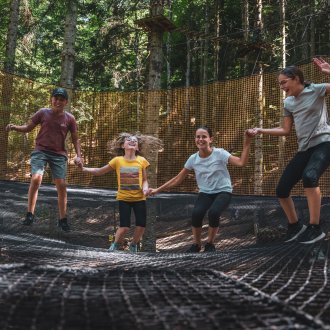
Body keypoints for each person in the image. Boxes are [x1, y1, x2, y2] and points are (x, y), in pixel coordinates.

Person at [248, 57, 330, 244]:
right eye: (279, 84)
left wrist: (328, 71)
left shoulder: (316, 90)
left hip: (325, 142)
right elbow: (285, 130)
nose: (281, 87)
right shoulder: (288, 103)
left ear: (296, 79)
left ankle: (315, 227)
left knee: (310, 177)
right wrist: (261, 130)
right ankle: (295, 226)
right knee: (282, 189)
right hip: (305, 148)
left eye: (283, 82)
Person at [148, 126, 253, 253]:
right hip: (205, 193)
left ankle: (210, 244)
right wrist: (157, 190)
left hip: (223, 191)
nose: (200, 139)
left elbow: (241, 162)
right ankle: (196, 245)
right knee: (196, 214)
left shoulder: (220, 153)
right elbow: (177, 179)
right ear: (195, 140)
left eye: (204, 136)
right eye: (198, 137)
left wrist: (247, 142)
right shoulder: (193, 159)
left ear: (210, 139)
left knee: (213, 213)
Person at [6, 87, 82, 232]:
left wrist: (79, 156)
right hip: (41, 150)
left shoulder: (69, 118)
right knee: (36, 179)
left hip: (59, 154)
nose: (58, 101)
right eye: (56, 98)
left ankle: (63, 219)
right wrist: (15, 127)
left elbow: (75, 138)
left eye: (61, 99)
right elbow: (28, 128)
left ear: (65, 102)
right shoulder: (43, 113)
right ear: (51, 99)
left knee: (61, 184)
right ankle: (30, 214)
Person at [80, 132, 163, 252]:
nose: (132, 141)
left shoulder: (142, 160)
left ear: (137, 147)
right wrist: (83, 169)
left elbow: (145, 180)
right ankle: (115, 245)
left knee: (141, 225)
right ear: (122, 146)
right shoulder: (117, 160)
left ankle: (133, 245)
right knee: (124, 227)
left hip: (139, 198)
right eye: (128, 140)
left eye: (135, 140)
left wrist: (145, 189)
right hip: (124, 199)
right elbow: (99, 171)